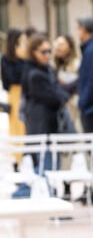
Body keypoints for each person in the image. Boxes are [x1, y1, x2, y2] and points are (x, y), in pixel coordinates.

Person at [21, 33, 70, 169]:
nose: (47, 55)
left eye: (49, 51)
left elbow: (58, 92)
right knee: (44, 169)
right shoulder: (33, 73)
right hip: (40, 127)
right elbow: (55, 97)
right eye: (43, 52)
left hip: (50, 127)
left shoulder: (46, 69)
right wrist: (61, 95)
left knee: (51, 167)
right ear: (33, 52)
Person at [1, 28, 28, 142]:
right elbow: (11, 79)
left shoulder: (26, 57)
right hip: (15, 94)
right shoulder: (7, 59)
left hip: (27, 92)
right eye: (22, 41)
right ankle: (19, 157)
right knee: (17, 127)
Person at [53, 34, 80, 131]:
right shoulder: (55, 66)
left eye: (61, 44)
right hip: (61, 106)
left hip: (74, 106)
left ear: (70, 46)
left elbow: (77, 84)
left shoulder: (77, 64)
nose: (57, 47)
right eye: (56, 43)